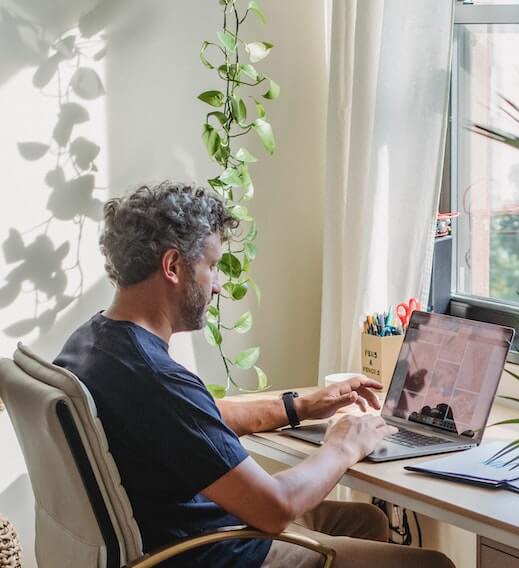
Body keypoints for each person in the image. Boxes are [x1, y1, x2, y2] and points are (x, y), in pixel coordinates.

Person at [53, 181, 454, 568]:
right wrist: (344, 444)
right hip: (209, 553)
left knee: (368, 521)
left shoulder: (93, 342)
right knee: (433, 564)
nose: (218, 287)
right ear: (173, 266)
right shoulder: (156, 378)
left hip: (174, 535)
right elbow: (276, 507)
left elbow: (194, 418)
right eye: (211, 265)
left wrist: (299, 407)